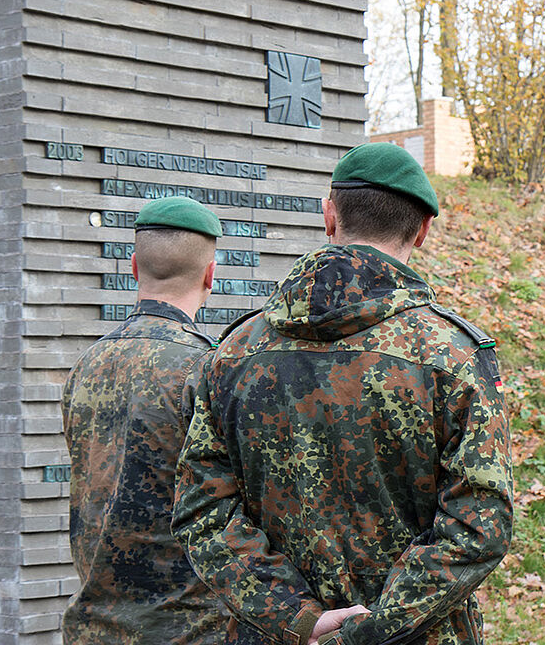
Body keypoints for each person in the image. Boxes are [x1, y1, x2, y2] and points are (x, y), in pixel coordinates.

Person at [172, 142, 513, 645]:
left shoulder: (232, 354)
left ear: (329, 216)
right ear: (422, 230)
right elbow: (478, 523)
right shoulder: (452, 357)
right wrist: (369, 630)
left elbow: (204, 511)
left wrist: (298, 619)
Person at [61, 196, 234, 644]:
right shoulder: (208, 370)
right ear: (210, 275)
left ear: (134, 267)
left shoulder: (88, 363)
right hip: (192, 631)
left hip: (94, 628)